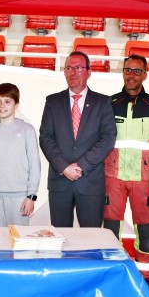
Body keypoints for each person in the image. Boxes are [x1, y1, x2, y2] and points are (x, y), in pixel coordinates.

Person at [104, 55, 149, 297]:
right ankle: (114, 276)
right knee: (111, 227)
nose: (132, 75)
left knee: (146, 229)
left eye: (137, 71)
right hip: (113, 176)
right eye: (127, 70)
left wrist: (146, 162)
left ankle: (146, 280)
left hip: (145, 179)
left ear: (145, 74)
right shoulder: (109, 104)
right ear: (123, 72)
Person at [39, 51, 117, 227]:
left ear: (89, 72)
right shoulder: (53, 101)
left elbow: (108, 138)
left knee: (91, 237)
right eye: (69, 68)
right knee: (60, 237)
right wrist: (64, 167)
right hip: (60, 181)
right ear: (64, 72)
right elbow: (45, 137)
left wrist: (81, 166)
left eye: (78, 67)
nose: (73, 72)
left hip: (90, 183)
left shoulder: (103, 102)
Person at [0, 83, 41, 227]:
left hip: (20, 197)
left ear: (16, 104)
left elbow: (35, 166)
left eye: (7, 101)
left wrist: (31, 197)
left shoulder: (27, 130)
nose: (2, 106)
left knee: (19, 240)